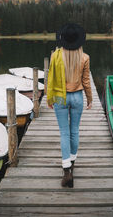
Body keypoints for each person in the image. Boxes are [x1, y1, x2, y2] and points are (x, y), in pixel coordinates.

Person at [47, 23, 92, 188]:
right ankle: (72, 162)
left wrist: (50, 97)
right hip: (77, 97)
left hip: (60, 97)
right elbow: (86, 81)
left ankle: (67, 172)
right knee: (74, 131)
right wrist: (90, 98)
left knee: (64, 133)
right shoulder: (84, 57)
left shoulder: (55, 56)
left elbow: (50, 77)